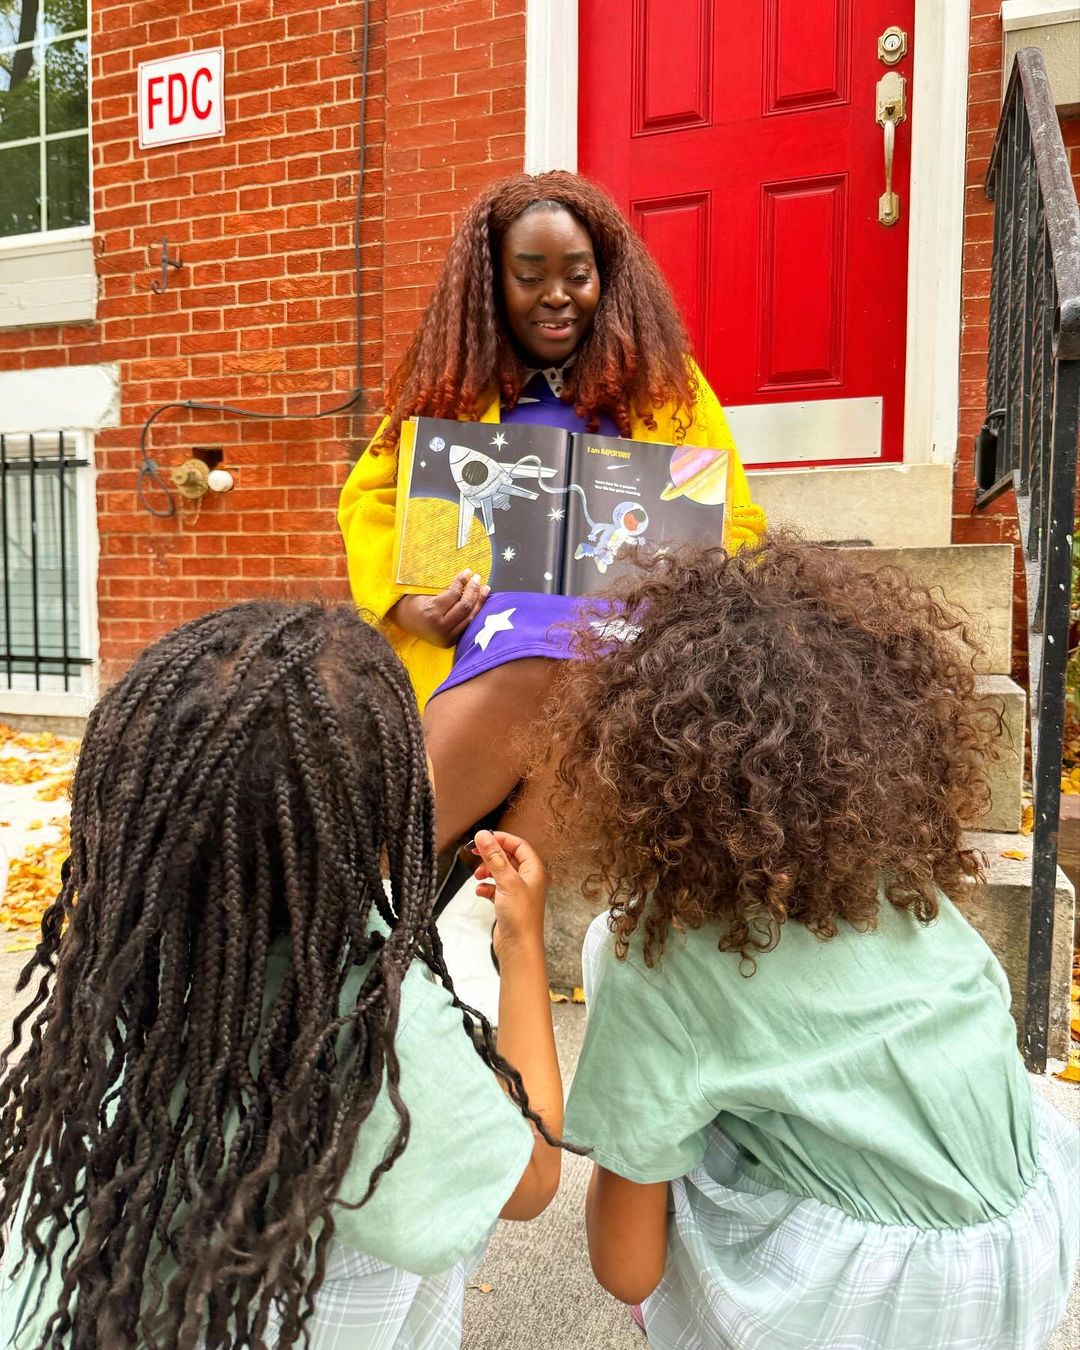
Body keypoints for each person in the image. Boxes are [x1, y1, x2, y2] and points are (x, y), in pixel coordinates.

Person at [547, 537, 1079, 1350]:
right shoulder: (912, 895)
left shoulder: (653, 951)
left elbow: (626, 1270)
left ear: (635, 765)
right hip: (1030, 1257)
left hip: (857, 1309)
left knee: (644, 1030)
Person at [0, 602, 562, 1350]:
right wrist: (522, 946)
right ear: (383, 814)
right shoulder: (371, 1020)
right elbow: (529, 1183)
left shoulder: (126, 960)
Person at [338, 169, 764, 851]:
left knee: (591, 666)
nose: (556, 296)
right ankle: (397, 871)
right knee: (544, 640)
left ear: (609, 278)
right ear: (491, 284)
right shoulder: (449, 392)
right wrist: (411, 602)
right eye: (529, 275)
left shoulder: (669, 390)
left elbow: (734, 519)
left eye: (578, 274)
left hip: (636, 640)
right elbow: (373, 501)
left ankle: (463, 893)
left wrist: (684, 581)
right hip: (481, 637)